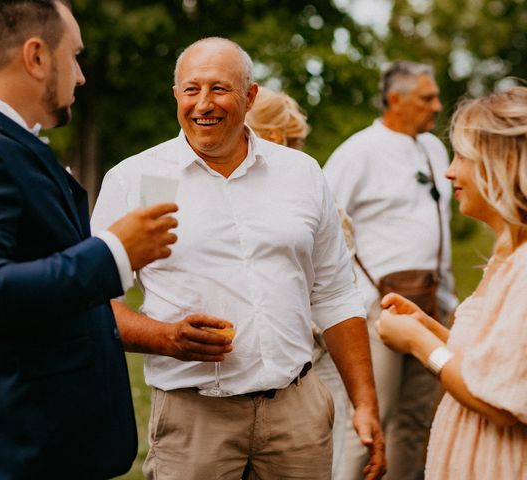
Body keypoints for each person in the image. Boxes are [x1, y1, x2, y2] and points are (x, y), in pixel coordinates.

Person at [0, 1, 180, 478]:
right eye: (74, 56)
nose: (82, 76)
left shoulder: (1, 140)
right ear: (36, 56)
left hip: (40, 444)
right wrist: (113, 251)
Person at [91, 37, 386, 480]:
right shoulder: (134, 180)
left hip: (297, 413)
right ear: (176, 96)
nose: (203, 104)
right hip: (194, 420)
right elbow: (93, 304)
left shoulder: (301, 174)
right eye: (191, 90)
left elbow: (337, 293)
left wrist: (364, 403)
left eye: (219, 89)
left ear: (250, 96)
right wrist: (166, 337)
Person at [376, 86, 527, 479]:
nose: (449, 171)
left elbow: (499, 401)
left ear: (501, 162)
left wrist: (417, 342)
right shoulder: (507, 255)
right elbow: (496, 366)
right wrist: (429, 327)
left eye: (462, 156)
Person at [323, 61, 459, 480]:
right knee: (370, 422)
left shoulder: (434, 149)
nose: (437, 107)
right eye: (426, 98)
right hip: (375, 310)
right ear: (395, 100)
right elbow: (323, 223)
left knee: (417, 423)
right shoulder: (357, 152)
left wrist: (448, 300)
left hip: (431, 305)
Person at [246, 85, 354, 478]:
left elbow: (338, 291)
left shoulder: (319, 201)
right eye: (300, 141)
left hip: (315, 363)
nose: (304, 150)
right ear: (275, 138)